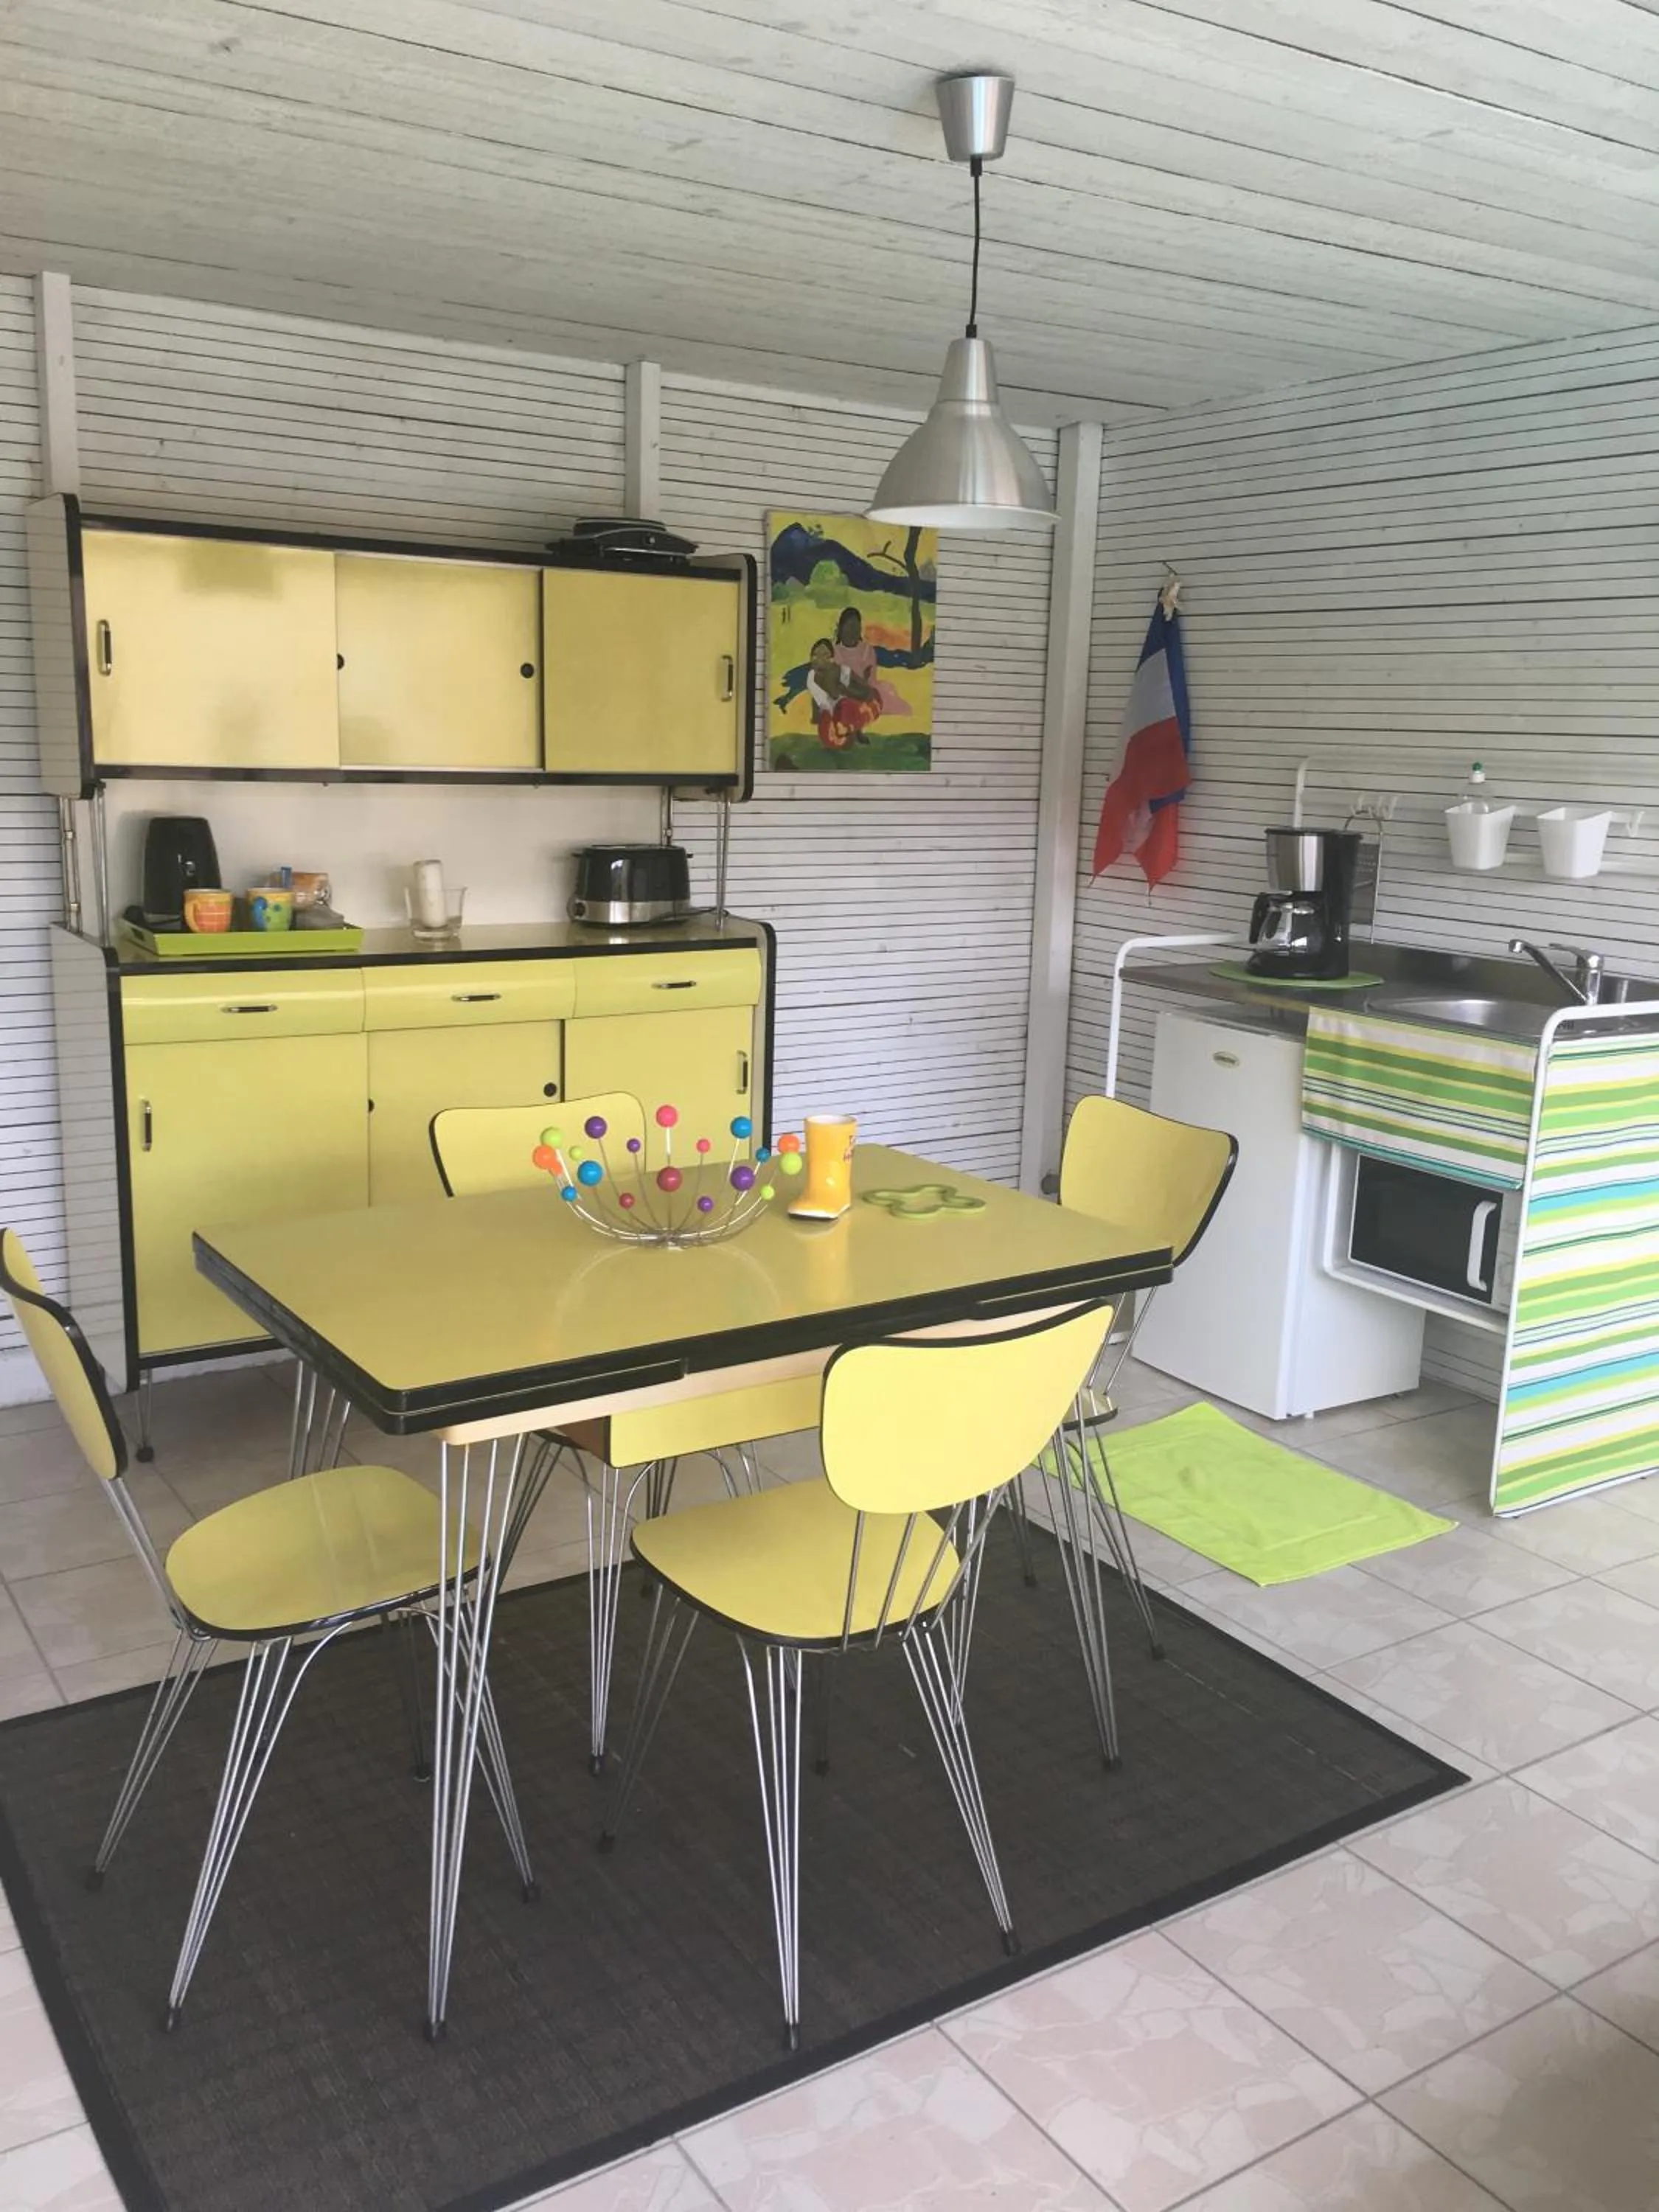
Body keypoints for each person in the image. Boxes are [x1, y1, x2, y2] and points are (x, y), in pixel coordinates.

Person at [832, 608, 911, 721]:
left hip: (866, 690)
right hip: (844, 691)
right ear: (841, 628)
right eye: (848, 626)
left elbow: (870, 680)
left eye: (856, 627)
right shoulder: (835, 651)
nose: (852, 631)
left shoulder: (867, 650)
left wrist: (863, 684)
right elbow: (841, 678)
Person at [805, 637, 875, 748]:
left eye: (825, 655)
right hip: (831, 715)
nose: (819, 659)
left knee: (846, 704)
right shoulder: (811, 676)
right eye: (815, 654)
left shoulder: (843, 672)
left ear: (832, 659)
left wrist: (846, 691)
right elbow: (818, 699)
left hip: (849, 708)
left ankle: (856, 732)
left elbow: (866, 692)